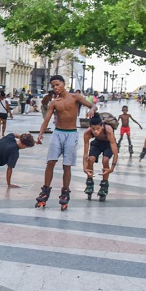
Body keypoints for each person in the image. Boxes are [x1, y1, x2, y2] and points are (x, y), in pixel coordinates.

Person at [35, 75, 96, 209]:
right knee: (50, 162)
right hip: (58, 133)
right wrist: (40, 134)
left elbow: (92, 105)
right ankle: (45, 190)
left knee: (66, 165)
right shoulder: (54, 103)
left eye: (57, 84)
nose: (56, 88)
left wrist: (91, 110)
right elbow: (46, 119)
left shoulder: (75, 97)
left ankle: (65, 192)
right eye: (53, 86)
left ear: (63, 83)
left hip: (71, 133)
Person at [82, 114, 119, 201]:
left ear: (102, 126)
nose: (95, 131)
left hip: (108, 144)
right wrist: (85, 168)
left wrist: (112, 168)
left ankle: (104, 185)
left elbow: (115, 152)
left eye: (98, 129)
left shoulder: (109, 131)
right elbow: (85, 153)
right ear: (90, 127)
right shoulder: (87, 133)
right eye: (93, 129)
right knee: (91, 159)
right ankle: (89, 182)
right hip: (97, 143)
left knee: (105, 160)